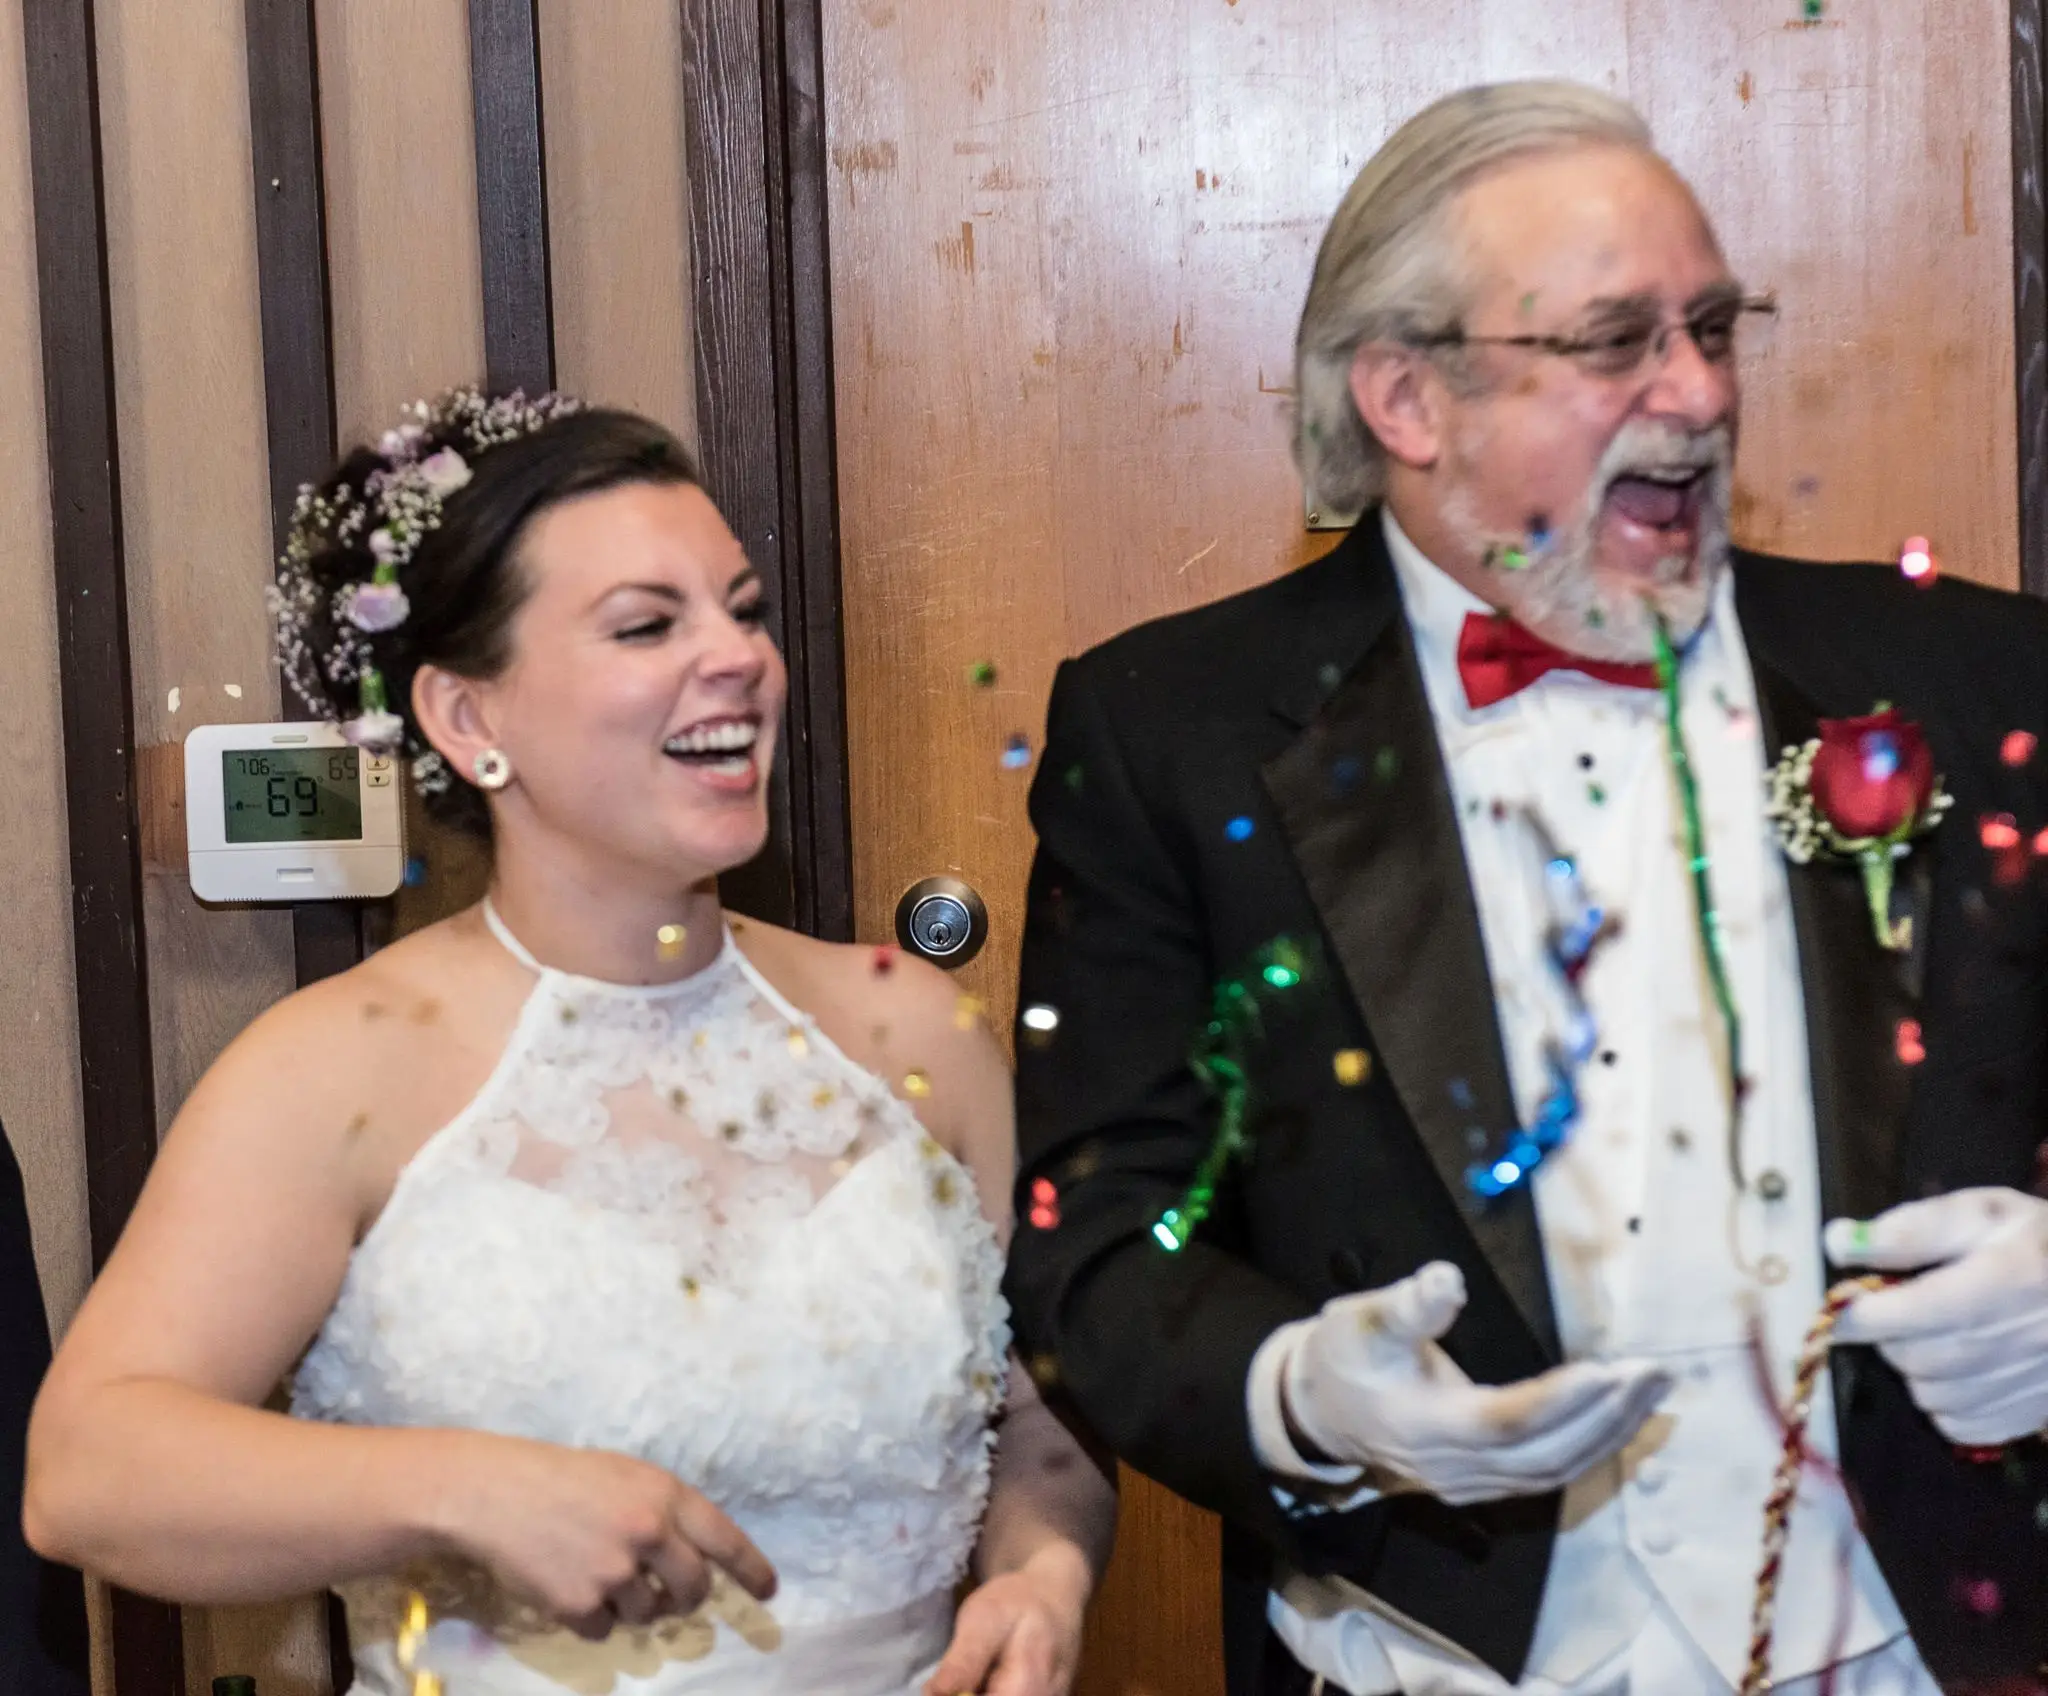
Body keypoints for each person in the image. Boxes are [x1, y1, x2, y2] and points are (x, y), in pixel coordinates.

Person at [1005, 81, 2048, 1696]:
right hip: (1424, 1664)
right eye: (1618, 341)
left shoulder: (1980, 677)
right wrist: (1297, 1394)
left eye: (1714, 328)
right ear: (1407, 397)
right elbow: (1097, 1245)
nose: (1698, 393)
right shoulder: (1172, 734)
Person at [26, 392, 1114, 1696]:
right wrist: (463, 1490)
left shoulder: (912, 1030)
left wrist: (1044, 1576)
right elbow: (86, 1472)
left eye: (744, 611)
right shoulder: (333, 1071)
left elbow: (1040, 1424)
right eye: (650, 625)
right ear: (468, 719)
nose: (739, 658)